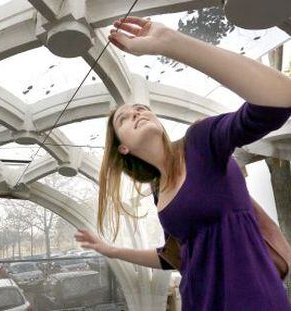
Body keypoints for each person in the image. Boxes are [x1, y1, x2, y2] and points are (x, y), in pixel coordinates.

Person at [74, 16, 291, 310]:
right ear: (122, 147)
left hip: (253, 299)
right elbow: (174, 256)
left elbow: (279, 100)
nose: (137, 112)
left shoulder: (201, 142)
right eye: (124, 118)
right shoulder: (157, 189)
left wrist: (170, 43)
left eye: (141, 108)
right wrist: (109, 250)